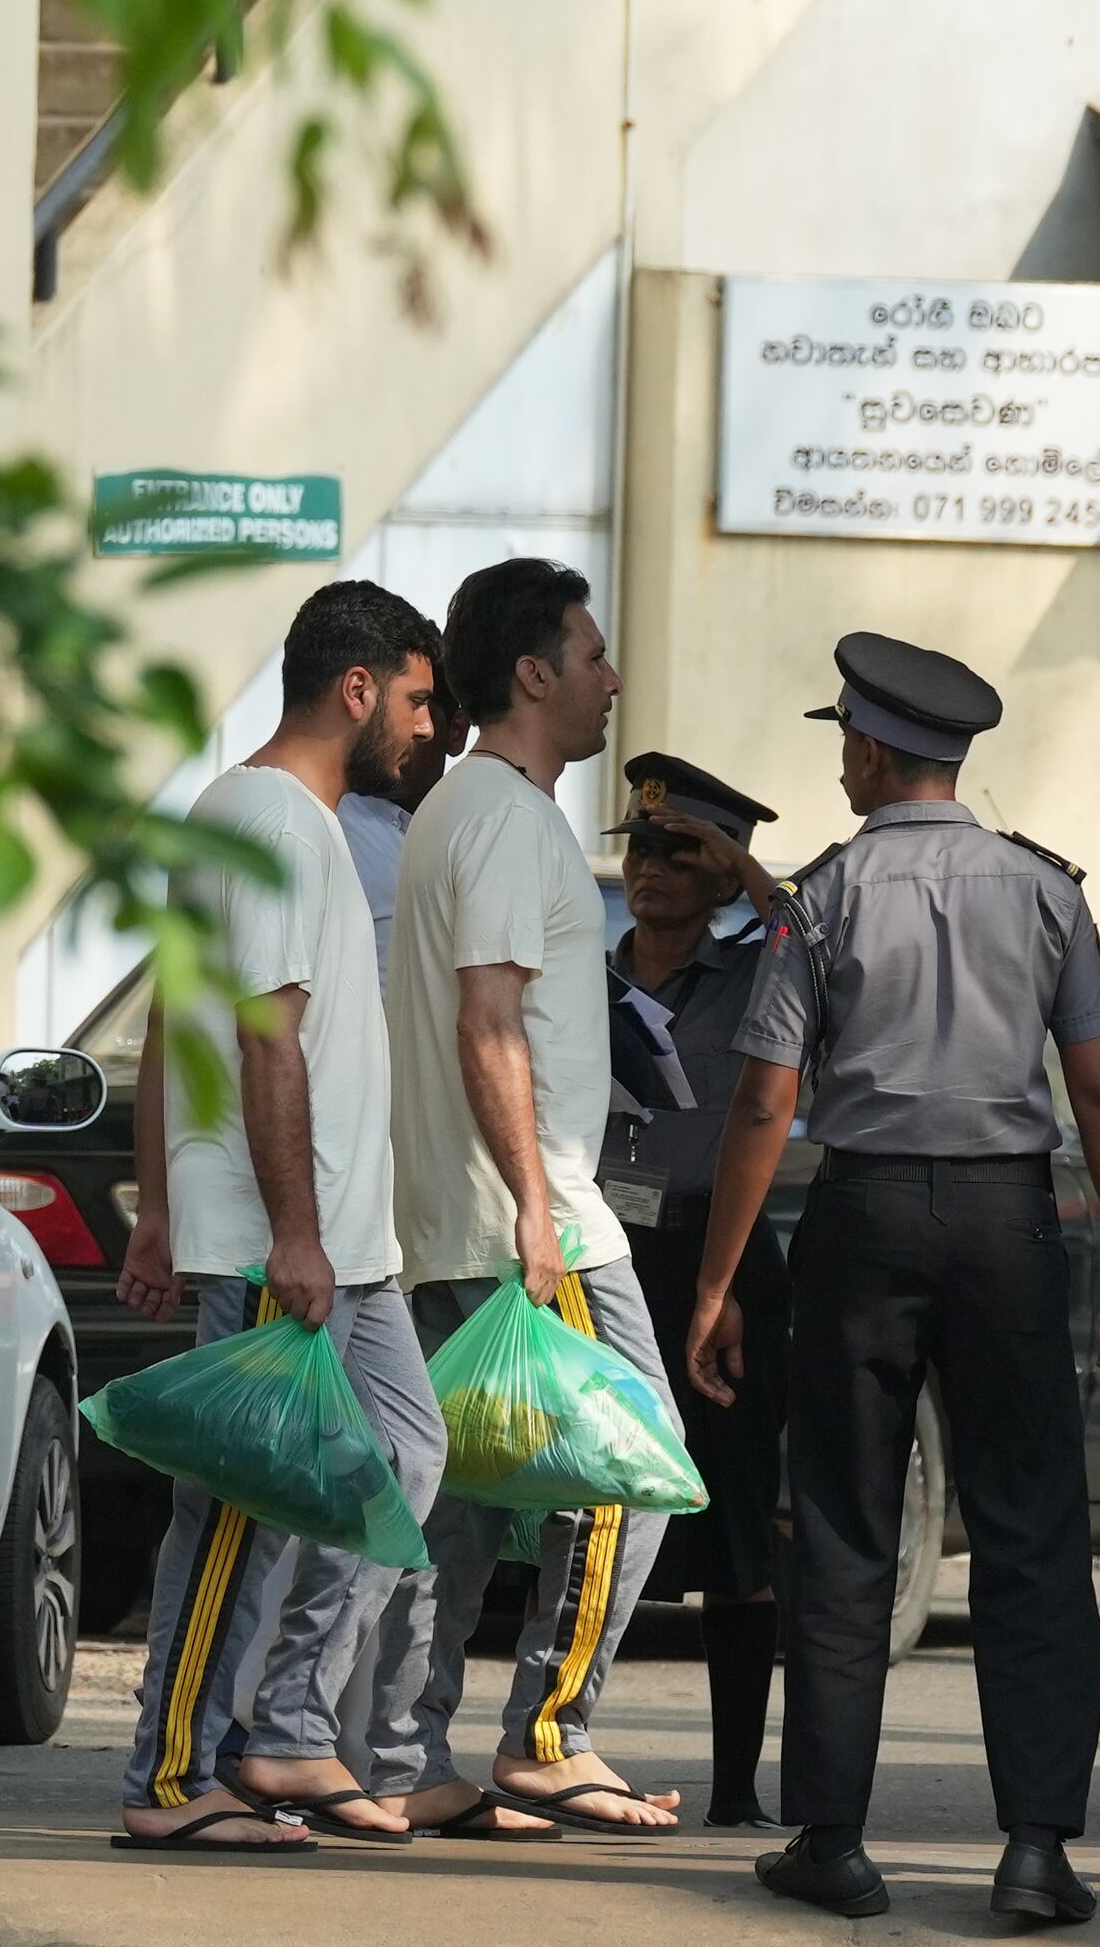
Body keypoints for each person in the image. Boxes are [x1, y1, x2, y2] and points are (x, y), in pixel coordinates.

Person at [682, 632, 1100, 1926]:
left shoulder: (822, 899)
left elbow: (766, 1102)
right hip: (1012, 1224)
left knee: (843, 1525)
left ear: (872, 749)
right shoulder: (1046, 890)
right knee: (1029, 1531)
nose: (840, 755)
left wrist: (719, 1285)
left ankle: (833, 1843)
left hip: (868, 1217)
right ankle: (1036, 1852)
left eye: (844, 736)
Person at [105, 581, 448, 1854]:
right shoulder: (268, 822)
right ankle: (169, 1775)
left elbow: (161, 1034)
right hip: (286, 1241)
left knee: (406, 1457)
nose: (424, 726)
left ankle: (291, 1731)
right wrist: (289, 1233)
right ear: (355, 691)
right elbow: (261, 1042)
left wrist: (150, 1207)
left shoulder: (283, 824)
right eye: (415, 698)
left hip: (344, 1242)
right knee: (239, 1503)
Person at [363, 556, 685, 1840]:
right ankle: (550, 1735)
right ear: (536, 674)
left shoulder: (468, 810)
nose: (613, 681)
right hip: (527, 1217)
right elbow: (486, 1020)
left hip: (458, 1216)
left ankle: (400, 1752)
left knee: (469, 1497)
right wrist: (539, 1212)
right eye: (594, 656)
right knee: (633, 1460)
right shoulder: (501, 814)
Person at [597, 752, 791, 1828]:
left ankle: (734, 1787)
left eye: (684, 852)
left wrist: (752, 873)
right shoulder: (583, 965)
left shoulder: (762, 966)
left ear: (722, 875)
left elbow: (823, 948)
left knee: (736, 1529)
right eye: (641, 845)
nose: (654, 866)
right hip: (600, 1250)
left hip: (722, 1254)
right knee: (580, 1503)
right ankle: (555, 1744)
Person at [340, 673, 468, 970]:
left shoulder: (466, 833)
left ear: (456, 732)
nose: (393, 729)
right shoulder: (338, 828)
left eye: (418, 704)